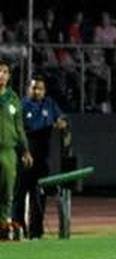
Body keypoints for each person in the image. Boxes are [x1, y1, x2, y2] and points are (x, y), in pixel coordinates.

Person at [15, 76, 67, 239]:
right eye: (33, 88)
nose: (36, 91)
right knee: (19, 195)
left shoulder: (49, 104)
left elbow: (62, 119)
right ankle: (18, 230)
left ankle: (36, 231)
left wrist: (61, 123)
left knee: (39, 195)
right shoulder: (21, 105)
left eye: (40, 88)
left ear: (44, 91)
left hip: (43, 157)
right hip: (24, 156)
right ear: (28, 89)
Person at [0, 61, 34, 240]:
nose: (1, 75)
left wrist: (25, 150)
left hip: (8, 151)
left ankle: (4, 223)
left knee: (7, 189)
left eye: (5, 72)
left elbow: (19, 128)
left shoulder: (13, 98)